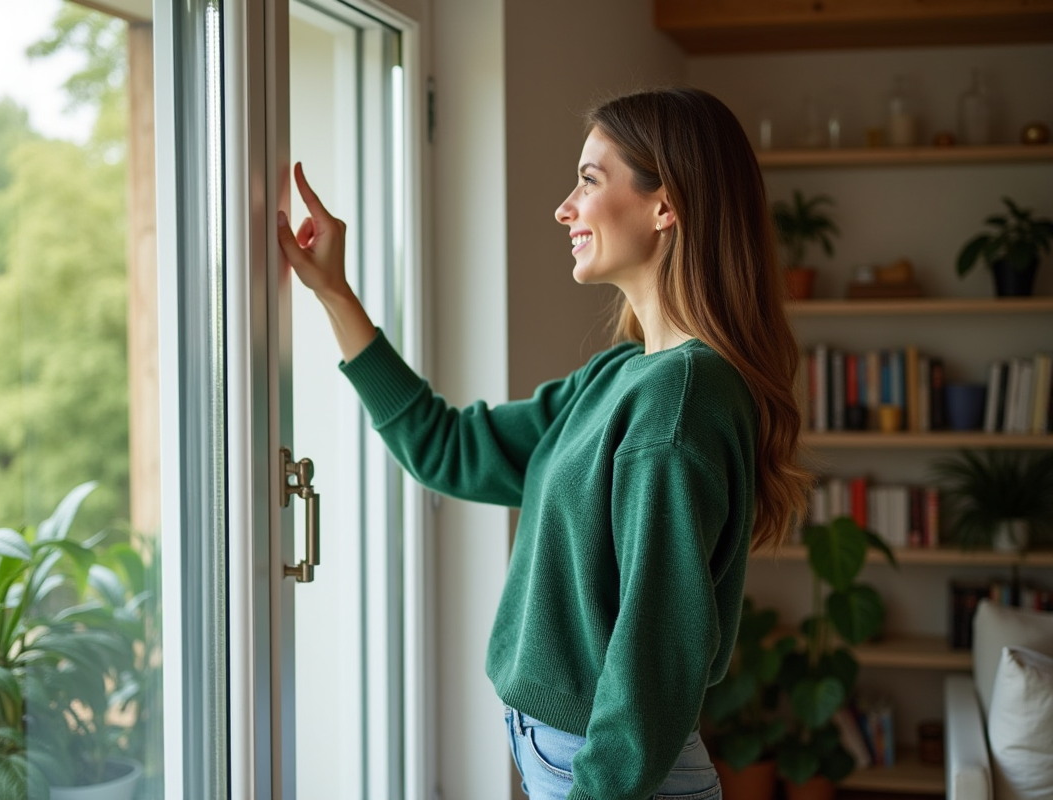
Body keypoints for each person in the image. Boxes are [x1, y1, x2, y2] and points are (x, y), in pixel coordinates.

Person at [276, 86, 811, 800]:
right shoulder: (624, 375)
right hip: (571, 758)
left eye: (590, 180)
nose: (565, 207)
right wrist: (334, 294)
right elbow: (448, 449)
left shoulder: (678, 403)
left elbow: (656, 660)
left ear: (665, 204)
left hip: (609, 776)